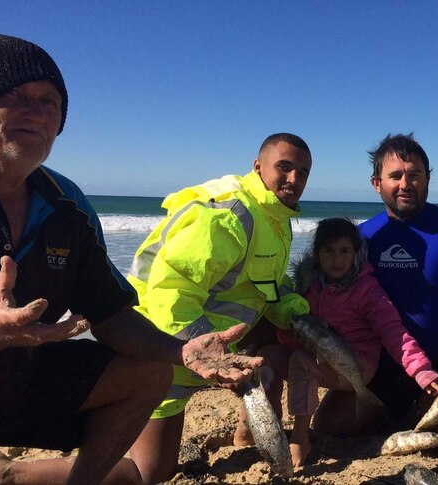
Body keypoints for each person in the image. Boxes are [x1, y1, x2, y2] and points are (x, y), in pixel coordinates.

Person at [0, 34, 259, 485]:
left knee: (148, 372)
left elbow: (111, 316)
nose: (35, 111)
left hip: (17, 384)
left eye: (50, 102)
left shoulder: (66, 208)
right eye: (13, 96)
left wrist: (179, 349)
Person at [122, 132, 314, 481]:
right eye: (284, 168)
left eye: (303, 172)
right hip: (163, 347)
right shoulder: (231, 214)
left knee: (271, 353)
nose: (294, 179)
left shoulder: (275, 216)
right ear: (258, 166)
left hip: (218, 340)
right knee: (150, 473)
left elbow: (263, 285)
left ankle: (246, 433)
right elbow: (169, 293)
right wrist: (210, 358)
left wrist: (292, 310)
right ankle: (8, 475)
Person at [340, 133, 438, 455]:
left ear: (428, 178)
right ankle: (392, 410)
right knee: (330, 427)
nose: (405, 183)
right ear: (376, 183)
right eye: (395, 175)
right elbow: (337, 298)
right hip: (381, 363)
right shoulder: (362, 239)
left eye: (415, 175)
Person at [254, 217, 438, 467]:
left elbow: (392, 331)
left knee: (301, 360)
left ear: (356, 253)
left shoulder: (366, 289)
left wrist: (421, 370)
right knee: (264, 356)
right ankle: (268, 428)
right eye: (329, 251)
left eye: (345, 251)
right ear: (317, 254)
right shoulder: (310, 286)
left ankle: (300, 438)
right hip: (320, 356)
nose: (337, 259)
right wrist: (289, 336)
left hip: (357, 363)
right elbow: (298, 328)